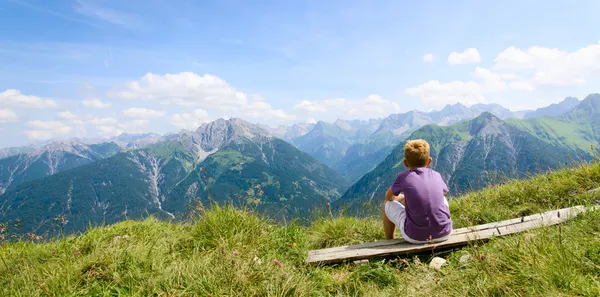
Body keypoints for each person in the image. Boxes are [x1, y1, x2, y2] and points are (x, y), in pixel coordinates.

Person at [382, 139, 452, 243]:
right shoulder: (436, 175)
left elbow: (388, 197)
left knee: (386, 204)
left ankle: (389, 241)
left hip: (415, 237)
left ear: (405, 163)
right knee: (443, 198)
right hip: (445, 233)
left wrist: (402, 197)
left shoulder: (403, 177)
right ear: (429, 161)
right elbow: (444, 192)